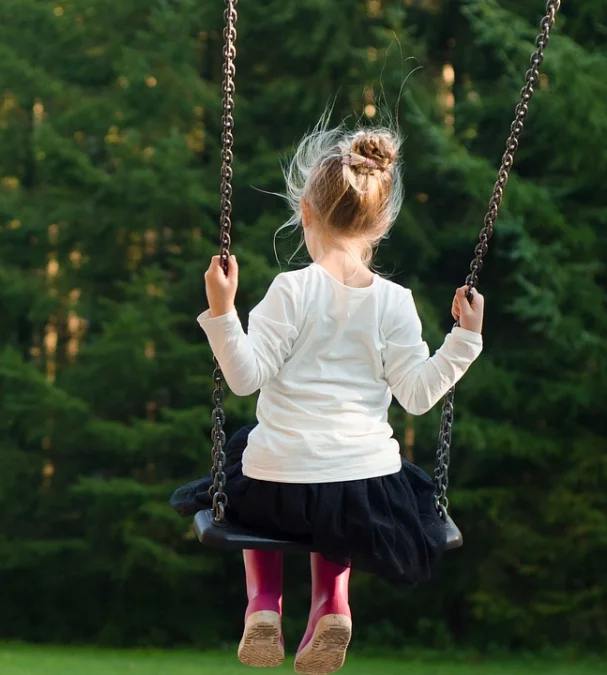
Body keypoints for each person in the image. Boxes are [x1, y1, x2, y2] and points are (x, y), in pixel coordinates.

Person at [170, 124, 486, 674]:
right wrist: (465, 340)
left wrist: (222, 311)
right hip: (364, 489)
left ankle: (263, 604)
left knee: (249, 458)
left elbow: (243, 378)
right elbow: (417, 396)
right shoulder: (395, 302)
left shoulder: (290, 290)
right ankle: (332, 605)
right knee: (340, 497)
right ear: (381, 224)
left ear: (305, 212)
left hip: (277, 486)